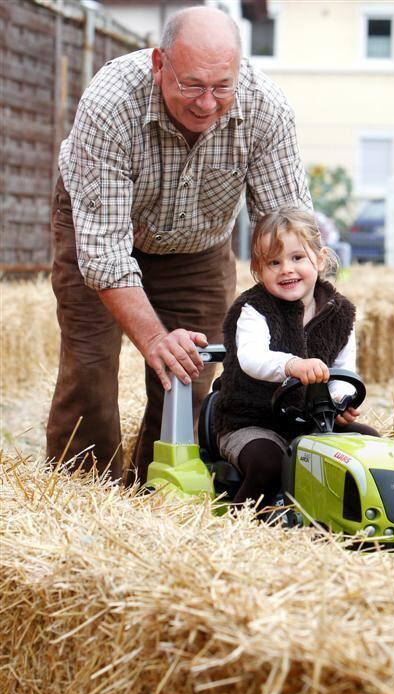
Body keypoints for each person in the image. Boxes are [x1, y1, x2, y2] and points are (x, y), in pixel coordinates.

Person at [45, 5, 312, 484]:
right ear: (159, 64)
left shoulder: (266, 108)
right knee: (90, 370)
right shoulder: (112, 103)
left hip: (198, 246)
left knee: (191, 375)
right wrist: (153, 339)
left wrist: (311, 354)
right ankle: (85, 495)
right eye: (191, 85)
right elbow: (104, 254)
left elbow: (289, 234)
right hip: (102, 226)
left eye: (222, 87)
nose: (207, 103)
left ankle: (158, 494)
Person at [213, 207, 379, 509]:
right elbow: (252, 357)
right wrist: (292, 365)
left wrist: (338, 403)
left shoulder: (341, 314)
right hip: (251, 423)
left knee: (369, 445)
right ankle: (242, 522)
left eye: (297, 258)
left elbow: (343, 370)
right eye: (273, 262)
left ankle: (348, 519)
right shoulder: (254, 309)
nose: (286, 269)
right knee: (270, 464)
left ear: (320, 258)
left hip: (314, 424)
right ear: (259, 270)